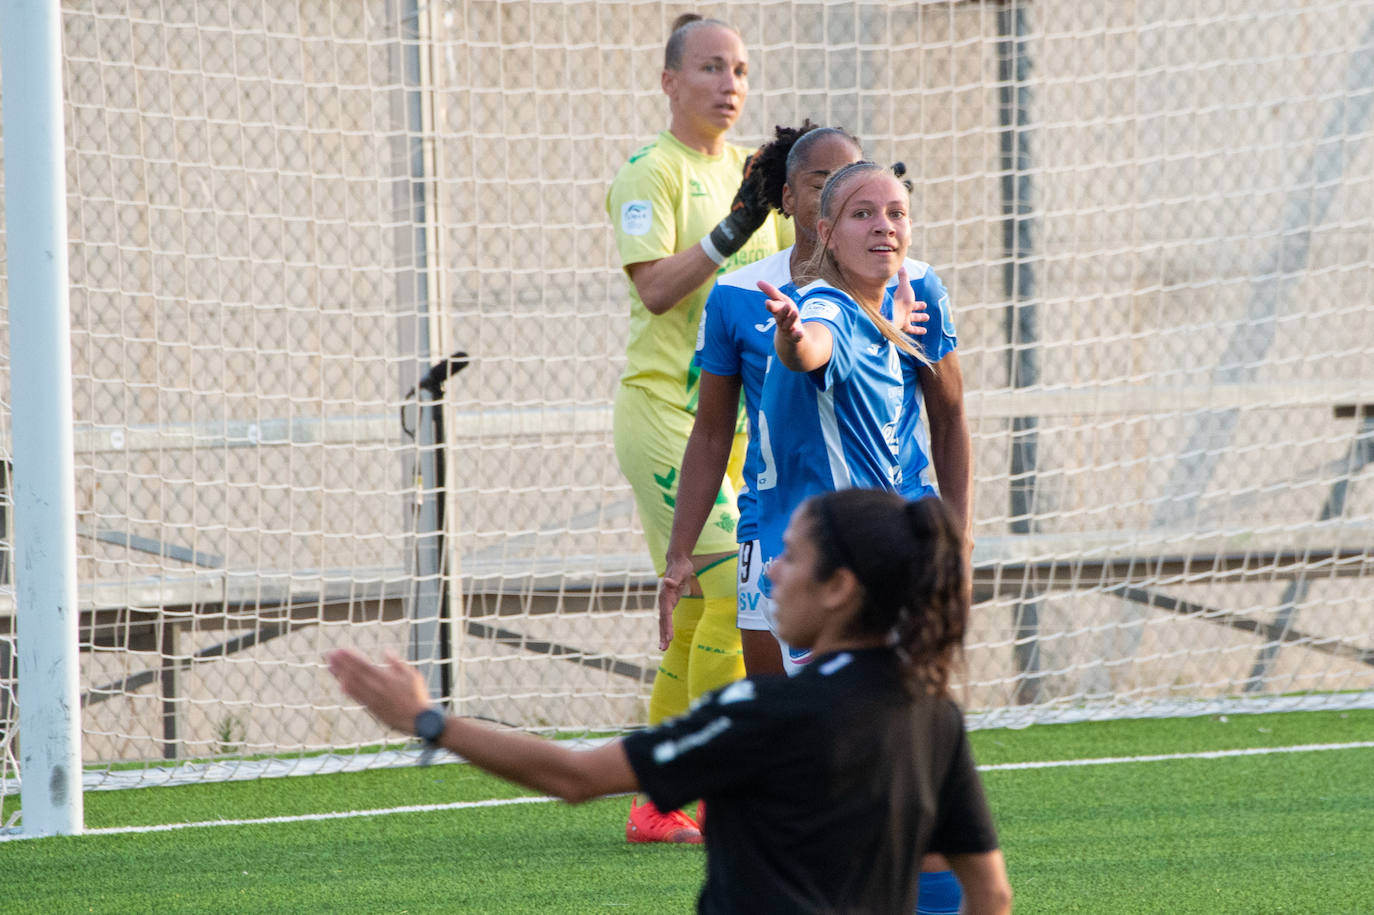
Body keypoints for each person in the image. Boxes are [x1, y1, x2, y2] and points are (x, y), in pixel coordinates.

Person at [326, 489, 1012, 915]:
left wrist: (428, 719)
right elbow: (991, 894)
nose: (770, 567)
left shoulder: (764, 711)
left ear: (838, 587)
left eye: (791, 556)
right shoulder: (934, 713)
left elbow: (577, 777)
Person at [754, 159, 974, 914]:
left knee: (914, 776)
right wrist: (790, 335)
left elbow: (951, 412)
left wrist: (960, 534)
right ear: (825, 231)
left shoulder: (913, 303)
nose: (884, 224)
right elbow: (808, 346)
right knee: (860, 776)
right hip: (830, 582)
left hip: (899, 564)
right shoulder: (825, 306)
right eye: (861, 213)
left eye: (897, 212)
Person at [604, 12, 793, 843]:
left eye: (741, 70)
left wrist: (850, 205)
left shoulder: (757, 180)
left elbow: (797, 274)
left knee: (706, 607)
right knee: (730, 589)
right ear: (670, 81)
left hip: (742, 427)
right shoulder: (652, 174)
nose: (730, 84)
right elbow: (655, 290)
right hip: (665, 416)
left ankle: (658, 801)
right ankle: (708, 784)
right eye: (712, 68)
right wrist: (732, 230)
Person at [657, 122, 878, 678]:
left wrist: (958, 530)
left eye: (850, 179)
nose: (837, 192)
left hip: (876, 525)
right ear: (786, 197)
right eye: (819, 180)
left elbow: (947, 417)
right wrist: (680, 551)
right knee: (782, 719)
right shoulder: (737, 295)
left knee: (874, 718)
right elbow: (712, 432)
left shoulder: (905, 284)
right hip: (771, 529)